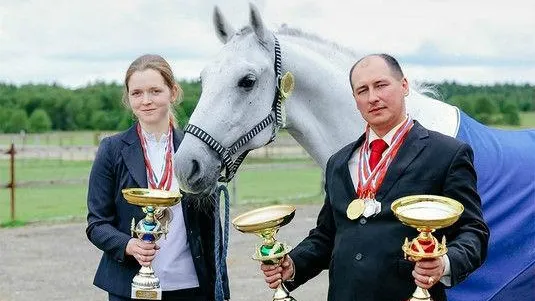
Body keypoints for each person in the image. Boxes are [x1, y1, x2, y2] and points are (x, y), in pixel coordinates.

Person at [260, 54, 489, 301]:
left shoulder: (447, 154)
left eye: (381, 85)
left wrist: (443, 263)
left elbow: (472, 231)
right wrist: (293, 264)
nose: (373, 97)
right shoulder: (338, 162)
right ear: (355, 100)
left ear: (404, 86)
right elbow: (328, 235)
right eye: (362, 90)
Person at [86, 54, 230, 301]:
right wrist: (128, 246)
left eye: (155, 91)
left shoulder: (194, 152)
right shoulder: (111, 150)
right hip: (130, 287)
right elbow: (97, 224)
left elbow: (211, 232)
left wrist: (221, 289)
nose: (146, 101)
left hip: (190, 287)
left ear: (172, 92)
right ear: (128, 97)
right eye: (137, 93)